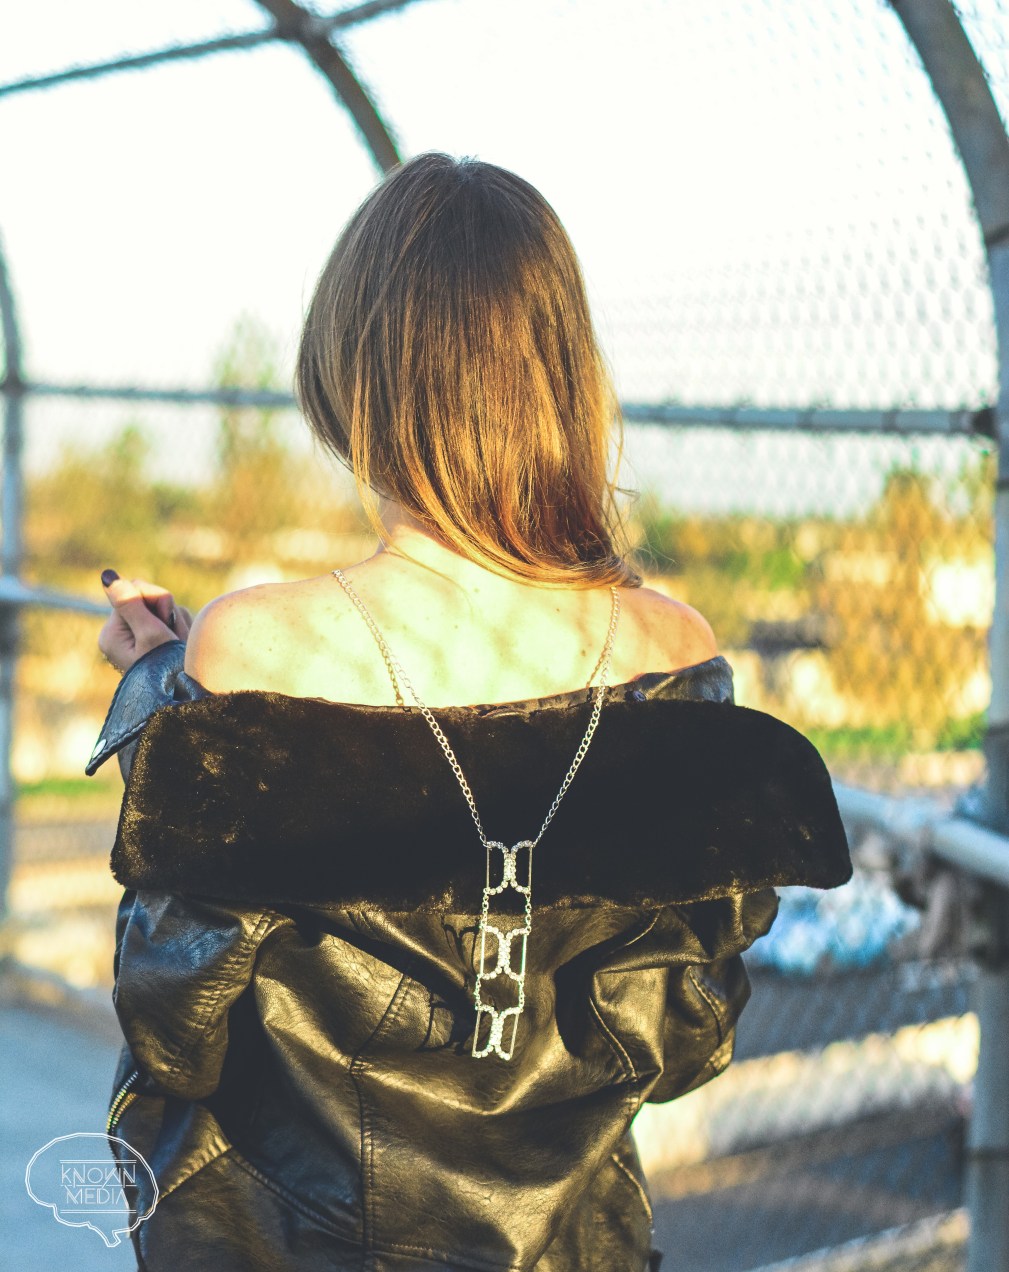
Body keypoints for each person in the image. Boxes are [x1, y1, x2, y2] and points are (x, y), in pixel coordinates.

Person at [90, 153, 850, 1271]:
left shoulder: (253, 645)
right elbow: (689, 1039)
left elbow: (174, 1024)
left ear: (357, 374)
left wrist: (163, 705)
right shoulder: (673, 652)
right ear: (561, 378)